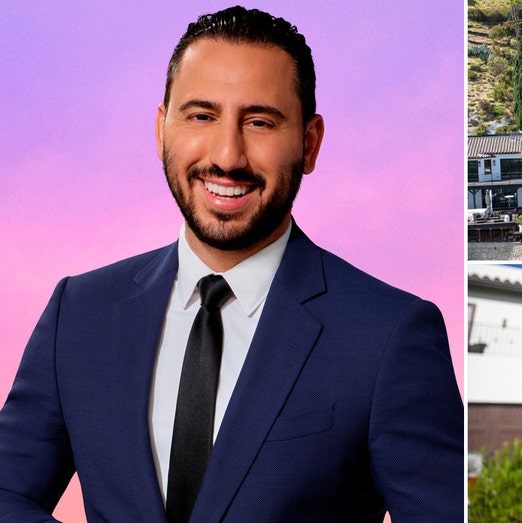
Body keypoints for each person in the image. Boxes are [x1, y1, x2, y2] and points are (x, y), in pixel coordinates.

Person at [0, 6, 463, 522]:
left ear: (309, 143)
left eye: (259, 122)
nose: (227, 155)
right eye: (201, 116)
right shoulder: (79, 314)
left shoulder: (389, 336)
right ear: (161, 129)